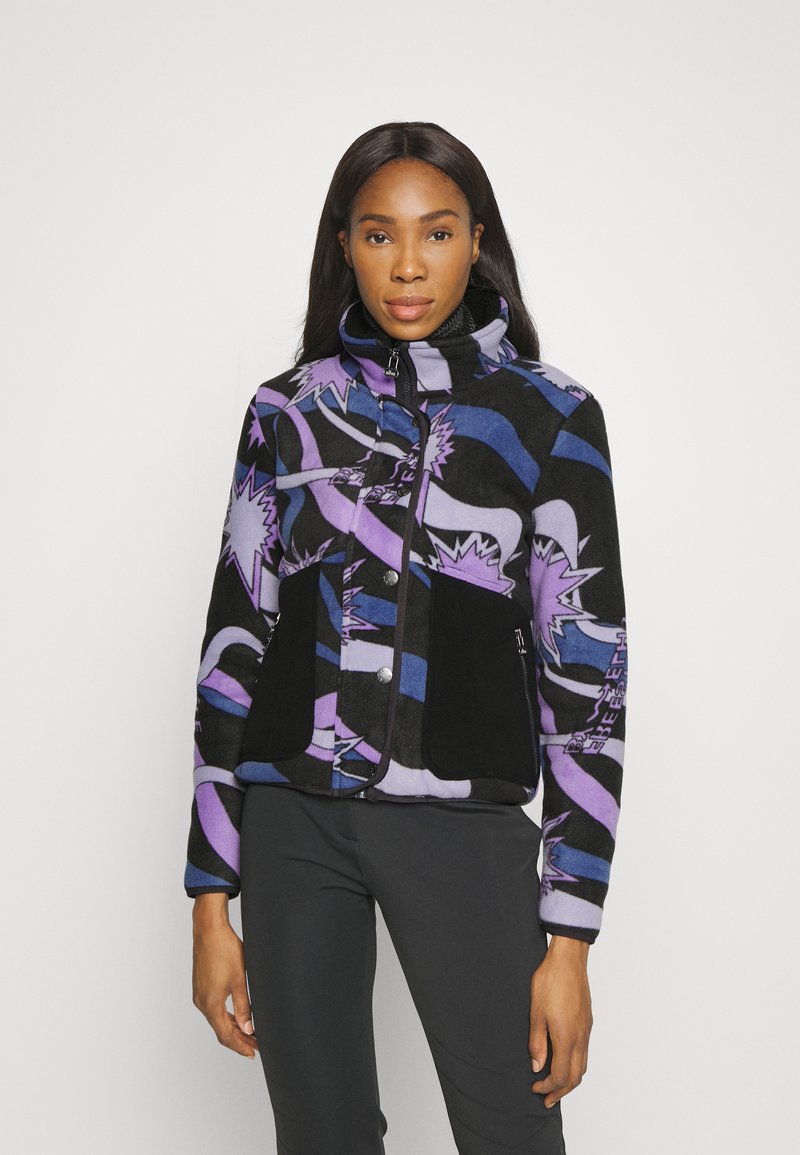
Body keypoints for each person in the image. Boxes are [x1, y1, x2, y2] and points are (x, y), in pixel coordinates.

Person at [185, 121, 628, 1155]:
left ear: (477, 241)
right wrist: (210, 900)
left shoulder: (550, 416)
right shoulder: (287, 411)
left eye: (435, 232)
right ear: (344, 244)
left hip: (460, 826)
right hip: (292, 823)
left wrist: (569, 935)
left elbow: (587, 675)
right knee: (321, 1137)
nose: (408, 265)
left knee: (511, 1133)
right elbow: (233, 643)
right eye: (380, 234)